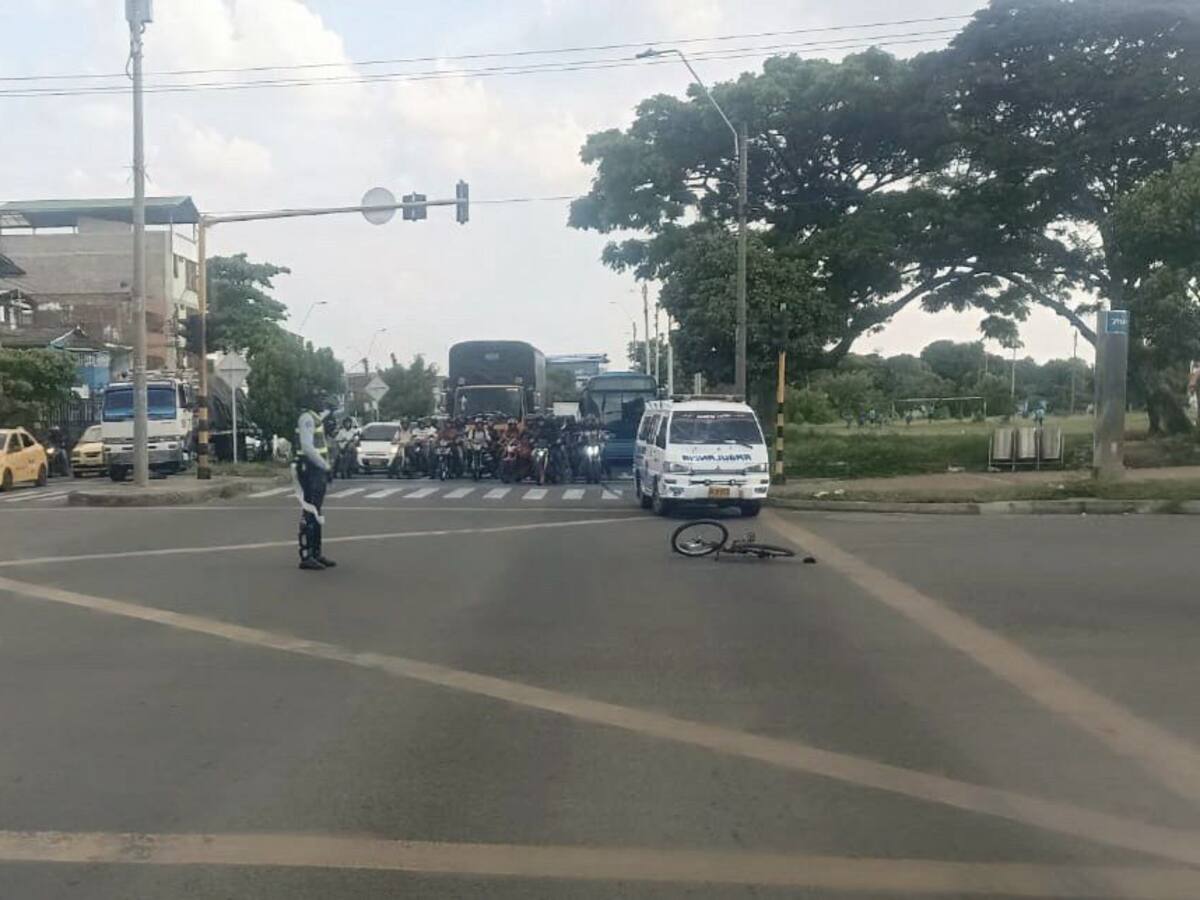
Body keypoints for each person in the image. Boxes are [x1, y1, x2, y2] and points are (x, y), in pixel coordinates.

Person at [294, 406, 335, 571]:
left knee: (316, 512)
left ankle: (316, 553)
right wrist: (325, 466)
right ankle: (307, 556)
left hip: (315, 470)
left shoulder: (315, 417)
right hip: (309, 468)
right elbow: (307, 447)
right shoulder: (306, 418)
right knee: (310, 511)